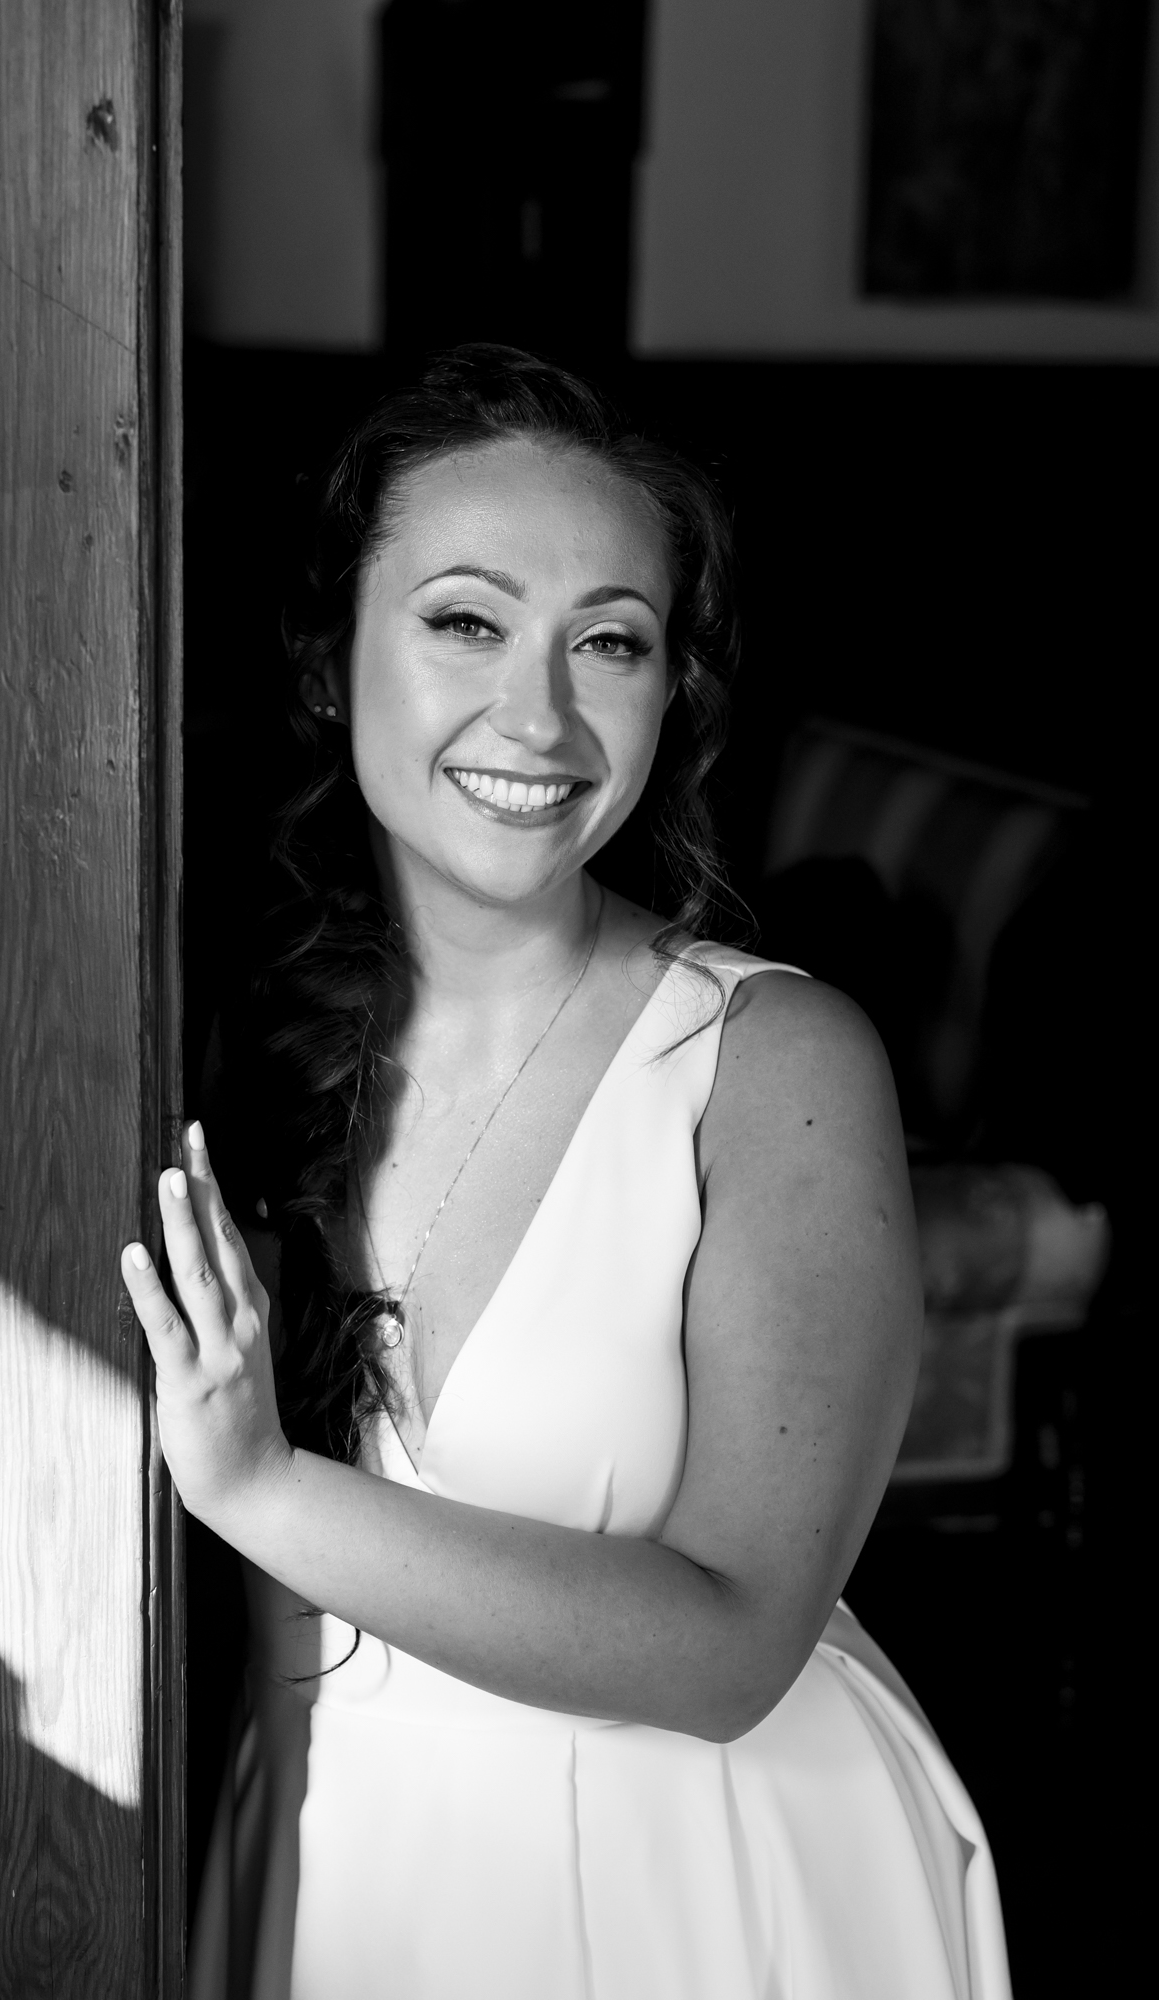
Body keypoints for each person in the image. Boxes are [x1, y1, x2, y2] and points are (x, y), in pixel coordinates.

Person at [122, 348, 1011, 1999]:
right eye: (464, 622)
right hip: (349, 1874)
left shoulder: (768, 1064)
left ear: (672, 692)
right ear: (327, 657)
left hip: (704, 1893)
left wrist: (259, 1490)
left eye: (609, 641)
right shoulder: (224, 1037)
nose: (537, 716)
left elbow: (734, 1642)